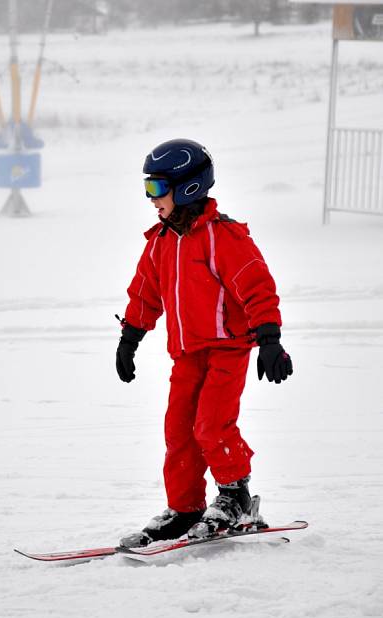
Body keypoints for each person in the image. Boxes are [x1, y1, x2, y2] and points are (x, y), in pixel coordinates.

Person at [116, 138, 293, 547]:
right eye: (148, 188)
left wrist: (269, 339)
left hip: (228, 349)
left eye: (157, 189)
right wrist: (130, 338)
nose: (151, 199)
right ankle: (186, 508)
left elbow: (257, 286)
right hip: (187, 354)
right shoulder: (161, 241)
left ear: (188, 187)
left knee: (211, 425)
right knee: (178, 430)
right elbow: (145, 292)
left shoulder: (223, 237)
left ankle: (235, 498)